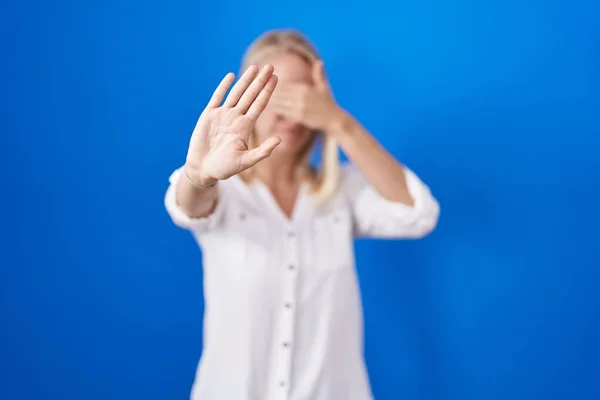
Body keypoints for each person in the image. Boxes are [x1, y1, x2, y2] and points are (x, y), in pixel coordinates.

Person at [164, 29, 440, 400]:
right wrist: (199, 176)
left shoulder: (341, 191)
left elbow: (416, 214)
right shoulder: (224, 191)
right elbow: (188, 207)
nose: (291, 109)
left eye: (304, 95)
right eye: (275, 93)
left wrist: (340, 123)